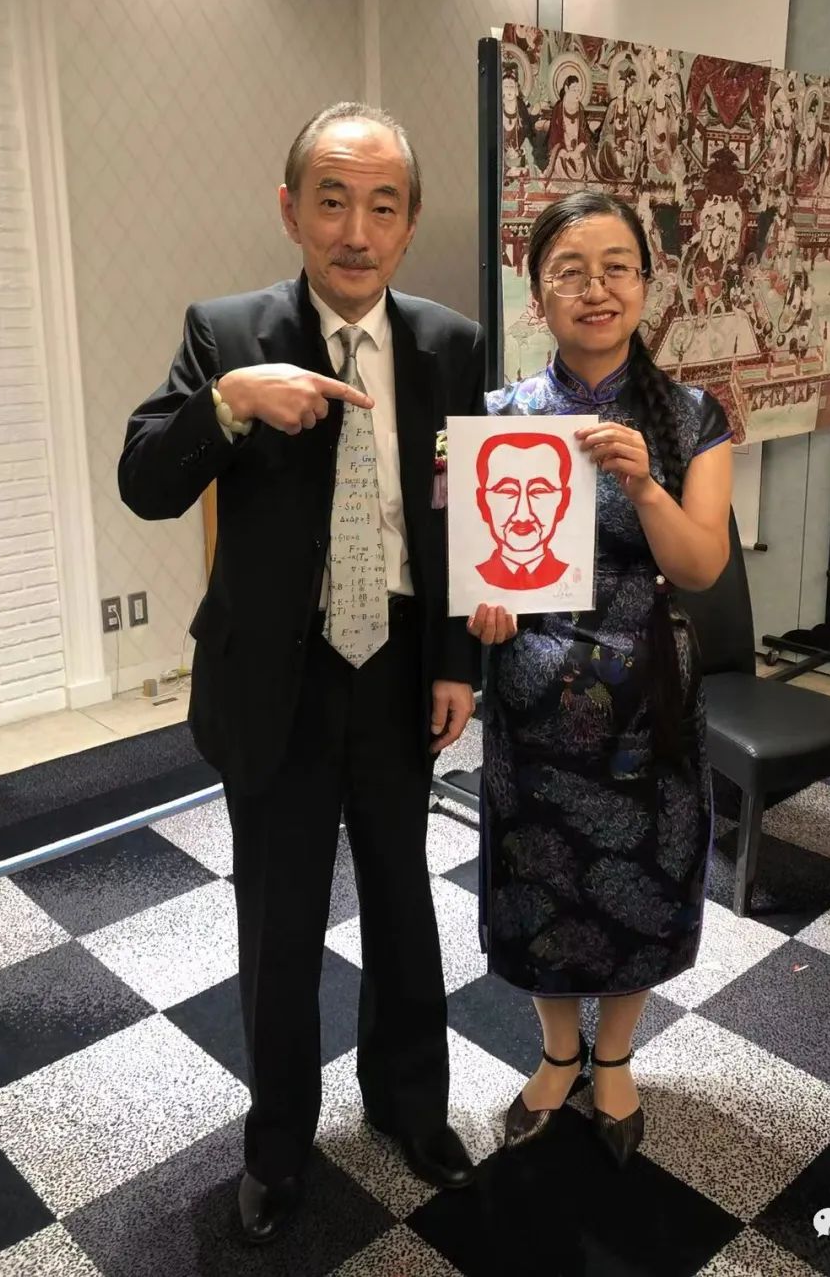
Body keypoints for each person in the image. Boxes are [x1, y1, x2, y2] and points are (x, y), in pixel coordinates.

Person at [118, 103, 484, 1243]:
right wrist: (229, 405)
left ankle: (408, 1104)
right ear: (291, 209)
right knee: (278, 921)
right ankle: (278, 1142)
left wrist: (459, 660)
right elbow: (145, 480)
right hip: (275, 680)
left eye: (382, 205)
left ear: (410, 222)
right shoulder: (226, 331)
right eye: (331, 200)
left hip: (399, 669)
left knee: (404, 901)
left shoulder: (452, 346)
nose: (355, 231)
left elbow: (461, 514)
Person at [467, 191, 733, 1169]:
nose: (596, 288)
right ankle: (556, 1051)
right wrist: (482, 606)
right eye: (570, 271)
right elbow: (477, 565)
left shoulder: (692, 415)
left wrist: (645, 483)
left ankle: (613, 1056)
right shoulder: (499, 416)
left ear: (646, 284)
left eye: (617, 266)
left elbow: (700, 565)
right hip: (532, 699)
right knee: (538, 878)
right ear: (537, 292)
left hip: (646, 698)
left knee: (644, 879)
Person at [474, 431, 572, 591]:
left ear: (564, 502)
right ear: (482, 502)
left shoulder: (570, 577)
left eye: (539, 491)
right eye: (507, 491)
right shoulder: (471, 579)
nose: (523, 515)